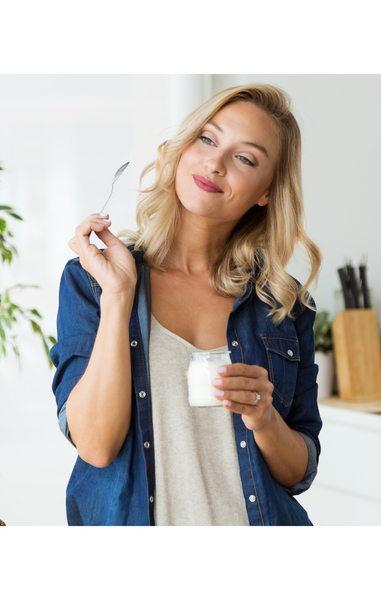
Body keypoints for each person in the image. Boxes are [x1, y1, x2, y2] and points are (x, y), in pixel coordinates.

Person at [50, 83, 323, 526]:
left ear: (266, 192)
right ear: (183, 148)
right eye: (207, 139)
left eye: (244, 158)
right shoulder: (93, 282)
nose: (214, 163)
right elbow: (96, 447)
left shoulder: (284, 303)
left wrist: (264, 417)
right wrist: (120, 296)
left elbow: (299, 470)